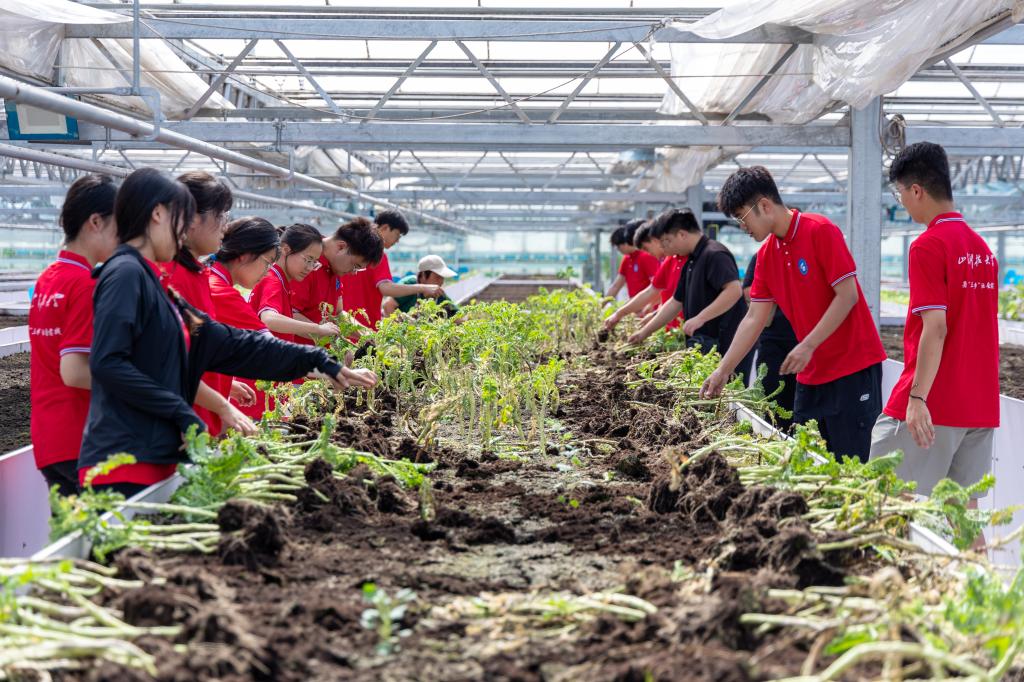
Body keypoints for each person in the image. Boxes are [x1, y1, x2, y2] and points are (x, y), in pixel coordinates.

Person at [80, 168, 377, 496]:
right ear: (158, 214)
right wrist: (183, 412)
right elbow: (109, 364)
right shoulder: (125, 274)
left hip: (157, 456)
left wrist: (321, 362)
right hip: (126, 460)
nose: (186, 229)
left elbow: (227, 343)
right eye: (184, 218)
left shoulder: (158, 283)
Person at [701, 165, 886, 462]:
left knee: (851, 462)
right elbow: (754, 318)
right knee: (806, 460)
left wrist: (808, 344)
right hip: (811, 374)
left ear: (764, 205)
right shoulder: (767, 255)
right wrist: (723, 370)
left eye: (742, 217)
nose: (742, 227)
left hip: (851, 369)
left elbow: (848, 295)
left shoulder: (819, 230)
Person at [869, 142, 999, 495]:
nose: (902, 202)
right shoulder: (983, 251)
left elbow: (936, 328)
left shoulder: (928, 245)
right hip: (980, 404)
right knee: (962, 511)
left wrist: (917, 398)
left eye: (900, 194)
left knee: (885, 495)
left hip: (935, 402)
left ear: (916, 191)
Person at [29, 174, 119, 497]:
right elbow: (76, 371)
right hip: (81, 437)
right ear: (95, 222)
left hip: (48, 436)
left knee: (72, 525)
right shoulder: (84, 285)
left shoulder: (48, 279)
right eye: (119, 227)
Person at [163, 171, 255, 437]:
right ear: (193, 218)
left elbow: (195, 352)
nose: (226, 225)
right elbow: (168, 367)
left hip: (195, 424)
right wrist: (223, 406)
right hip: (178, 427)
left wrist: (223, 385)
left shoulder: (197, 275)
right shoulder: (174, 278)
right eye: (221, 215)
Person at [629, 208, 753, 381]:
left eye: (667, 241)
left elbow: (733, 290)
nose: (665, 247)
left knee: (731, 390)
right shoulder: (691, 260)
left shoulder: (714, 254)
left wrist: (701, 318)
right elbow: (675, 302)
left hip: (728, 343)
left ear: (682, 234)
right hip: (707, 343)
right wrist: (644, 332)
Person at [207, 217, 281, 420]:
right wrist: (333, 369)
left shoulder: (209, 277)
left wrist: (225, 383)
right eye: (267, 263)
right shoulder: (220, 292)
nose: (267, 273)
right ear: (245, 255)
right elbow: (274, 350)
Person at [289, 216, 386, 343]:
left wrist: (368, 335)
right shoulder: (306, 262)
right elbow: (288, 314)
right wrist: (327, 335)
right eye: (355, 266)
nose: (353, 273)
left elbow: (338, 313)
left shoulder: (334, 268)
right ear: (341, 247)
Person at [340, 209, 439, 330]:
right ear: (385, 228)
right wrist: (422, 287)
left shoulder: (349, 251)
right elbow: (386, 288)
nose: (397, 241)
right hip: (364, 328)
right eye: (397, 234)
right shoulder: (378, 256)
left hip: (341, 323)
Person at [251, 224, 342, 344]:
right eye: (308, 260)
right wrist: (318, 329)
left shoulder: (282, 282)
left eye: (314, 262)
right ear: (286, 249)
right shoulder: (273, 281)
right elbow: (269, 319)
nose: (310, 268)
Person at [742, 253, 798, 428]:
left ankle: (793, 433)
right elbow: (747, 290)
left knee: (798, 399)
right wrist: (778, 288)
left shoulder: (803, 254)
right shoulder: (763, 255)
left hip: (802, 341)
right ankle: (773, 432)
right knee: (770, 393)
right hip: (772, 339)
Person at [604, 221, 685, 332]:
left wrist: (651, 307)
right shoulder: (669, 260)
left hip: (677, 323)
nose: (648, 253)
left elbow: (662, 294)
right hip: (663, 319)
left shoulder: (646, 257)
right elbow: (653, 290)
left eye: (645, 248)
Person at [383, 254, 460, 318]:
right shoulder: (410, 283)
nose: (441, 281)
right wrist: (400, 328)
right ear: (423, 275)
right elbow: (388, 306)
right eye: (437, 277)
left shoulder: (439, 294)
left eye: (442, 277)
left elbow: (457, 317)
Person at [605, 219, 660, 299]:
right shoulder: (627, 259)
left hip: (648, 304)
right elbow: (616, 285)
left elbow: (656, 288)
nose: (619, 250)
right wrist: (600, 304)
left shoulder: (646, 256)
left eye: (618, 247)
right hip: (637, 304)